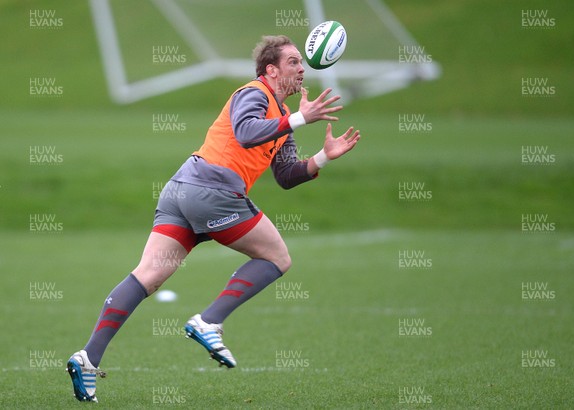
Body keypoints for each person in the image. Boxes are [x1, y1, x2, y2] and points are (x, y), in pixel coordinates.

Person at [66, 35, 360, 402]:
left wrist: (325, 157)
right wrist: (301, 118)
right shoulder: (254, 93)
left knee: (149, 275)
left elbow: (285, 176)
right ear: (271, 70)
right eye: (294, 62)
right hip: (212, 192)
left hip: (183, 190)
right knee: (277, 258)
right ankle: (209, 320)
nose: (302, 69)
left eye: (302, 63)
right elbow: (245, 131)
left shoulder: (283, 119)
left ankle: (87, 357)